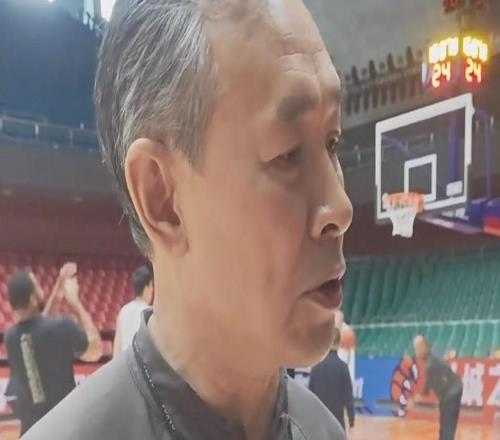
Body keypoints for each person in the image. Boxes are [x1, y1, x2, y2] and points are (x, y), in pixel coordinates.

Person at [24, 0, 353, 438]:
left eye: (332, 142)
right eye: (288, 154)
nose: (340, 207)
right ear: (162, 199)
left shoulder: (325, 430)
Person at [5, 264, 102, 434]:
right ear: (33, 299)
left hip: (32, 433)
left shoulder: (11, 338)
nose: (42, 289)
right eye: (38, 286)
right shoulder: (61, 326)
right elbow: (96, 351)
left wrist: (59, 284)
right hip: (63, 429)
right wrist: (75, 303)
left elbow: (39, 325)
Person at [410, 335, 463, 440]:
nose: (416, 352)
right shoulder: (433, 355)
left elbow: (426, 390)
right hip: (451, 392)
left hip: (451, 394)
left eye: (417, 348)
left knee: (447, 427)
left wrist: (415, 399)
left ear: (423, 346)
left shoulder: (431, 364)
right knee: (445, 426)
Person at [309, 328, 355, 434]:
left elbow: (310, 395)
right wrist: (351, 420)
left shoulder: (316, 366)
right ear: (339, 343)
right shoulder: (343, 367)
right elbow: (348, 396)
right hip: (337, 423)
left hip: (319, 423)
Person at [113, 265, 153, 356]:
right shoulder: (149, 313)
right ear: (147, 288)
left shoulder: (123, 311)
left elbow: (117, 348)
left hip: (125, 362)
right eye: (152, 287)